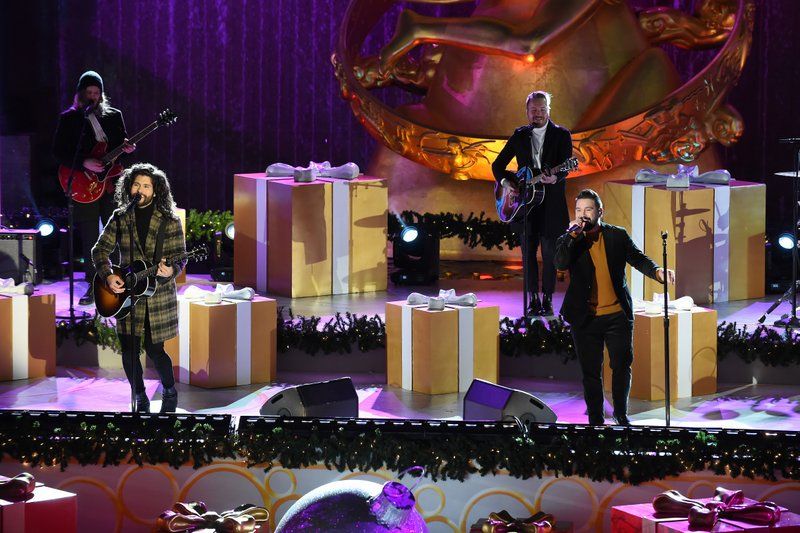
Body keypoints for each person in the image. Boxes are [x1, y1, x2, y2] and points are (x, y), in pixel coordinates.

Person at [554, 189, 675, 425]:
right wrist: (571, 237)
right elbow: (560, 262)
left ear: (600, 211)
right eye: (578, 210)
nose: (583, 215)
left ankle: (621, 414)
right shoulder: (568, 240)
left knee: (621, 366)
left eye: (588, 210)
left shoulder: (617, 236)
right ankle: (596, 420)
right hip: (585, 318)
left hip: (617, 315)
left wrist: (657, 272)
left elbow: (638, 258)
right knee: (591, 373)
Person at [92, 163, 186, 413]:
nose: (140, 189)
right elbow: (100, 249)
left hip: (157, 296)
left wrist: (171, 271)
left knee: (156, 350)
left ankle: (169, 390)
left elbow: (180, 257)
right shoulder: (121, 217)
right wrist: (109, 275)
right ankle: (139, 394)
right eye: (136, 184)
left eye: (146, 186)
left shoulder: (169, 220)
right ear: (129, 187)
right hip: (126, 295)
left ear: (155, 191)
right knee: (129, 349)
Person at [53, 70, 135, 305]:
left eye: (96, 93)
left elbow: (121, 146)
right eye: (89, 92)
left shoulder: (113, 115)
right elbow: (58, 152)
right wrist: (83, 162)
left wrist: (126, 149)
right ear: (80, 93)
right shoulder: (70, 119)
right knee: (90, 239)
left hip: (109, 185)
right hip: (83, 184)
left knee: (116, 234)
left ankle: (119, 284)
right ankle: (94, 285)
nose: (93, 97)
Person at [492, 90, 572, 316]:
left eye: (542, 109)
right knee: (527, 256)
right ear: (527, 111)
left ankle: (547, 300)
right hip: (525, 207)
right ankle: (533, 299)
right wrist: (507, 182)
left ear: (549, 110)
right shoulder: (519, 135)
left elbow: (566, 165)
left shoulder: (561, 135)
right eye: (533, 110)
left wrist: (555, 177)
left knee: (549, 256)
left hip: (551, 206)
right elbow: (497, 166)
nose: (538, 113)